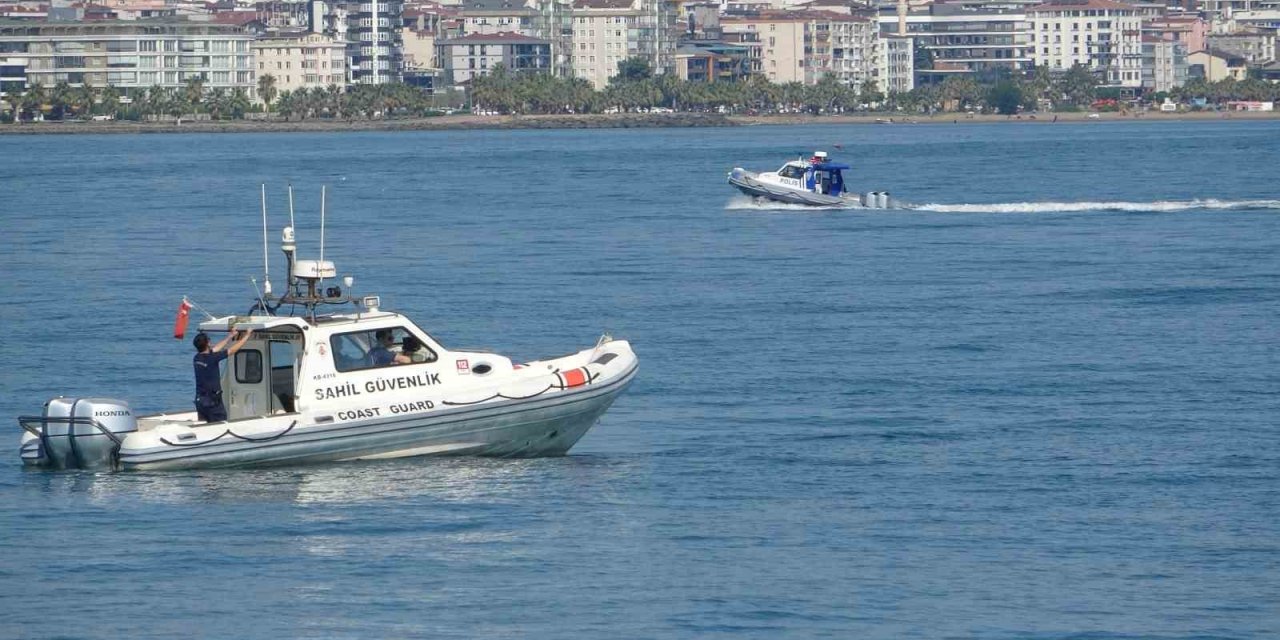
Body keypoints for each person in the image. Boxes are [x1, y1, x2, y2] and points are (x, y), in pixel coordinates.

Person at [192, 328, 253, 423]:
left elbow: (215, 349)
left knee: (205, 425)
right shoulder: (212, 358)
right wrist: (247, 336)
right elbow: (232, 350)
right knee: (220, 424)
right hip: (212, 402)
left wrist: (230, 336)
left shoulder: (197, 358)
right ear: (208, 343)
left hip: (200, 401)